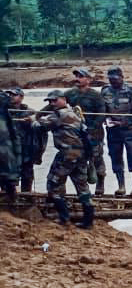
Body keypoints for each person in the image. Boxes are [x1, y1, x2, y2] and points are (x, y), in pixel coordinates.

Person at [33, 90, 93, 228]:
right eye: (49, 101)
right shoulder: (75, 112)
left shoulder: (59, 115)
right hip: (81, 154)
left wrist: (33, 119)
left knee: (52, 183)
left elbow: (40, 126)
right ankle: (88, 222)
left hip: (67, 155)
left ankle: (64, 218)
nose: (52, 103)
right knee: (82, 187)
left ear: (63, 99)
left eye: (54, 100)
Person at [64, 68, 107, 195]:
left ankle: (100, 183)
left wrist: (92, 128)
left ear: (88, 80)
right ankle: (83, 188)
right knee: (79, 160)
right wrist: (38, 115)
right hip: (76, 133)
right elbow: (56, 104)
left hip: (94, 133)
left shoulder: (96, 95)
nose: (77, 79)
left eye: (81, 76)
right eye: (76, 76)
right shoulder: (69, 94)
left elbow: (102, 113)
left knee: (97, 158)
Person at [101, 66, 132, 197]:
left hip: (129, 130)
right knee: (115, 157)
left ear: (122, 77)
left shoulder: (131, 90)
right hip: (113, 130)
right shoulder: (105, 90)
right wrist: (105, 119)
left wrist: (123, 122)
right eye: (111, 79)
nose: (113, 81)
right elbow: (102, 109)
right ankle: (121, 186)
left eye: (115, 79)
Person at [6, 88, 44, 193]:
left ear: (21, 97)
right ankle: (9, 196)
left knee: (27, 174)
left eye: (14, 94)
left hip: (26, 149)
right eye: (9, 95)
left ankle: (27, 195)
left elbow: (41, 129)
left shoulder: (30, 112)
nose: (11, 97)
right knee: (7, 175)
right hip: (9, 150)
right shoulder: (4, 111)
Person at [0, 89, 18, 201]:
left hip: (3, 140)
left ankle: (11, 195)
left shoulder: (2, 98)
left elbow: (5, 99)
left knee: (7, 170)